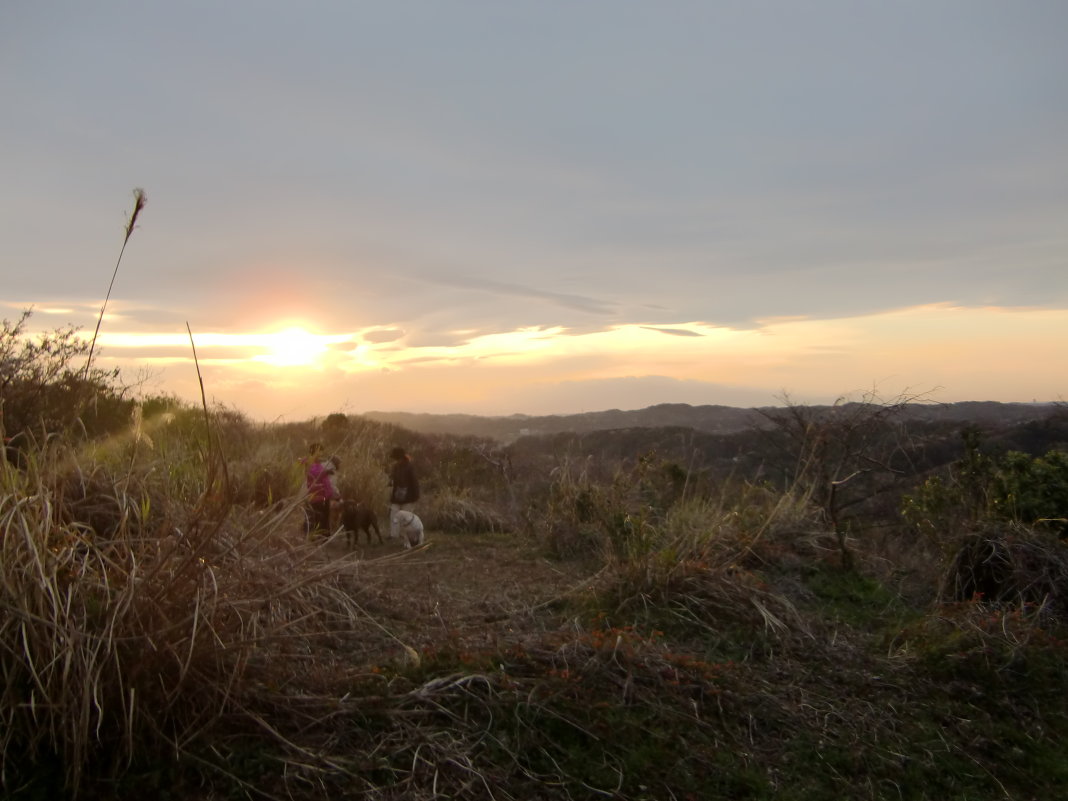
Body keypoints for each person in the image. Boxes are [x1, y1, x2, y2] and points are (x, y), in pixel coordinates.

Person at [301, 442, 339, 536]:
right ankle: (316, 537)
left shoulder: (318, 463)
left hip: (324, 495)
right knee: (318, 517)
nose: (321, 454)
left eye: (322, 452)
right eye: (320, 452)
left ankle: (324, 537)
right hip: (316, 496)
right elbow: (314, 475)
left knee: (324, 517)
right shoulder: (309, 463)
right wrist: (326, 472)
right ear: (314, 452)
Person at [388, 445, 420, 540]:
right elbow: (393, 480)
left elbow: (414, 482)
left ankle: (410, 536)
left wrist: (415, 496)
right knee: (394, 514)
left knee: (407, 517)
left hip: (408, 496)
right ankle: (394, 535)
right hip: (397, 495)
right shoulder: (396, 467)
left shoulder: (409, 467)